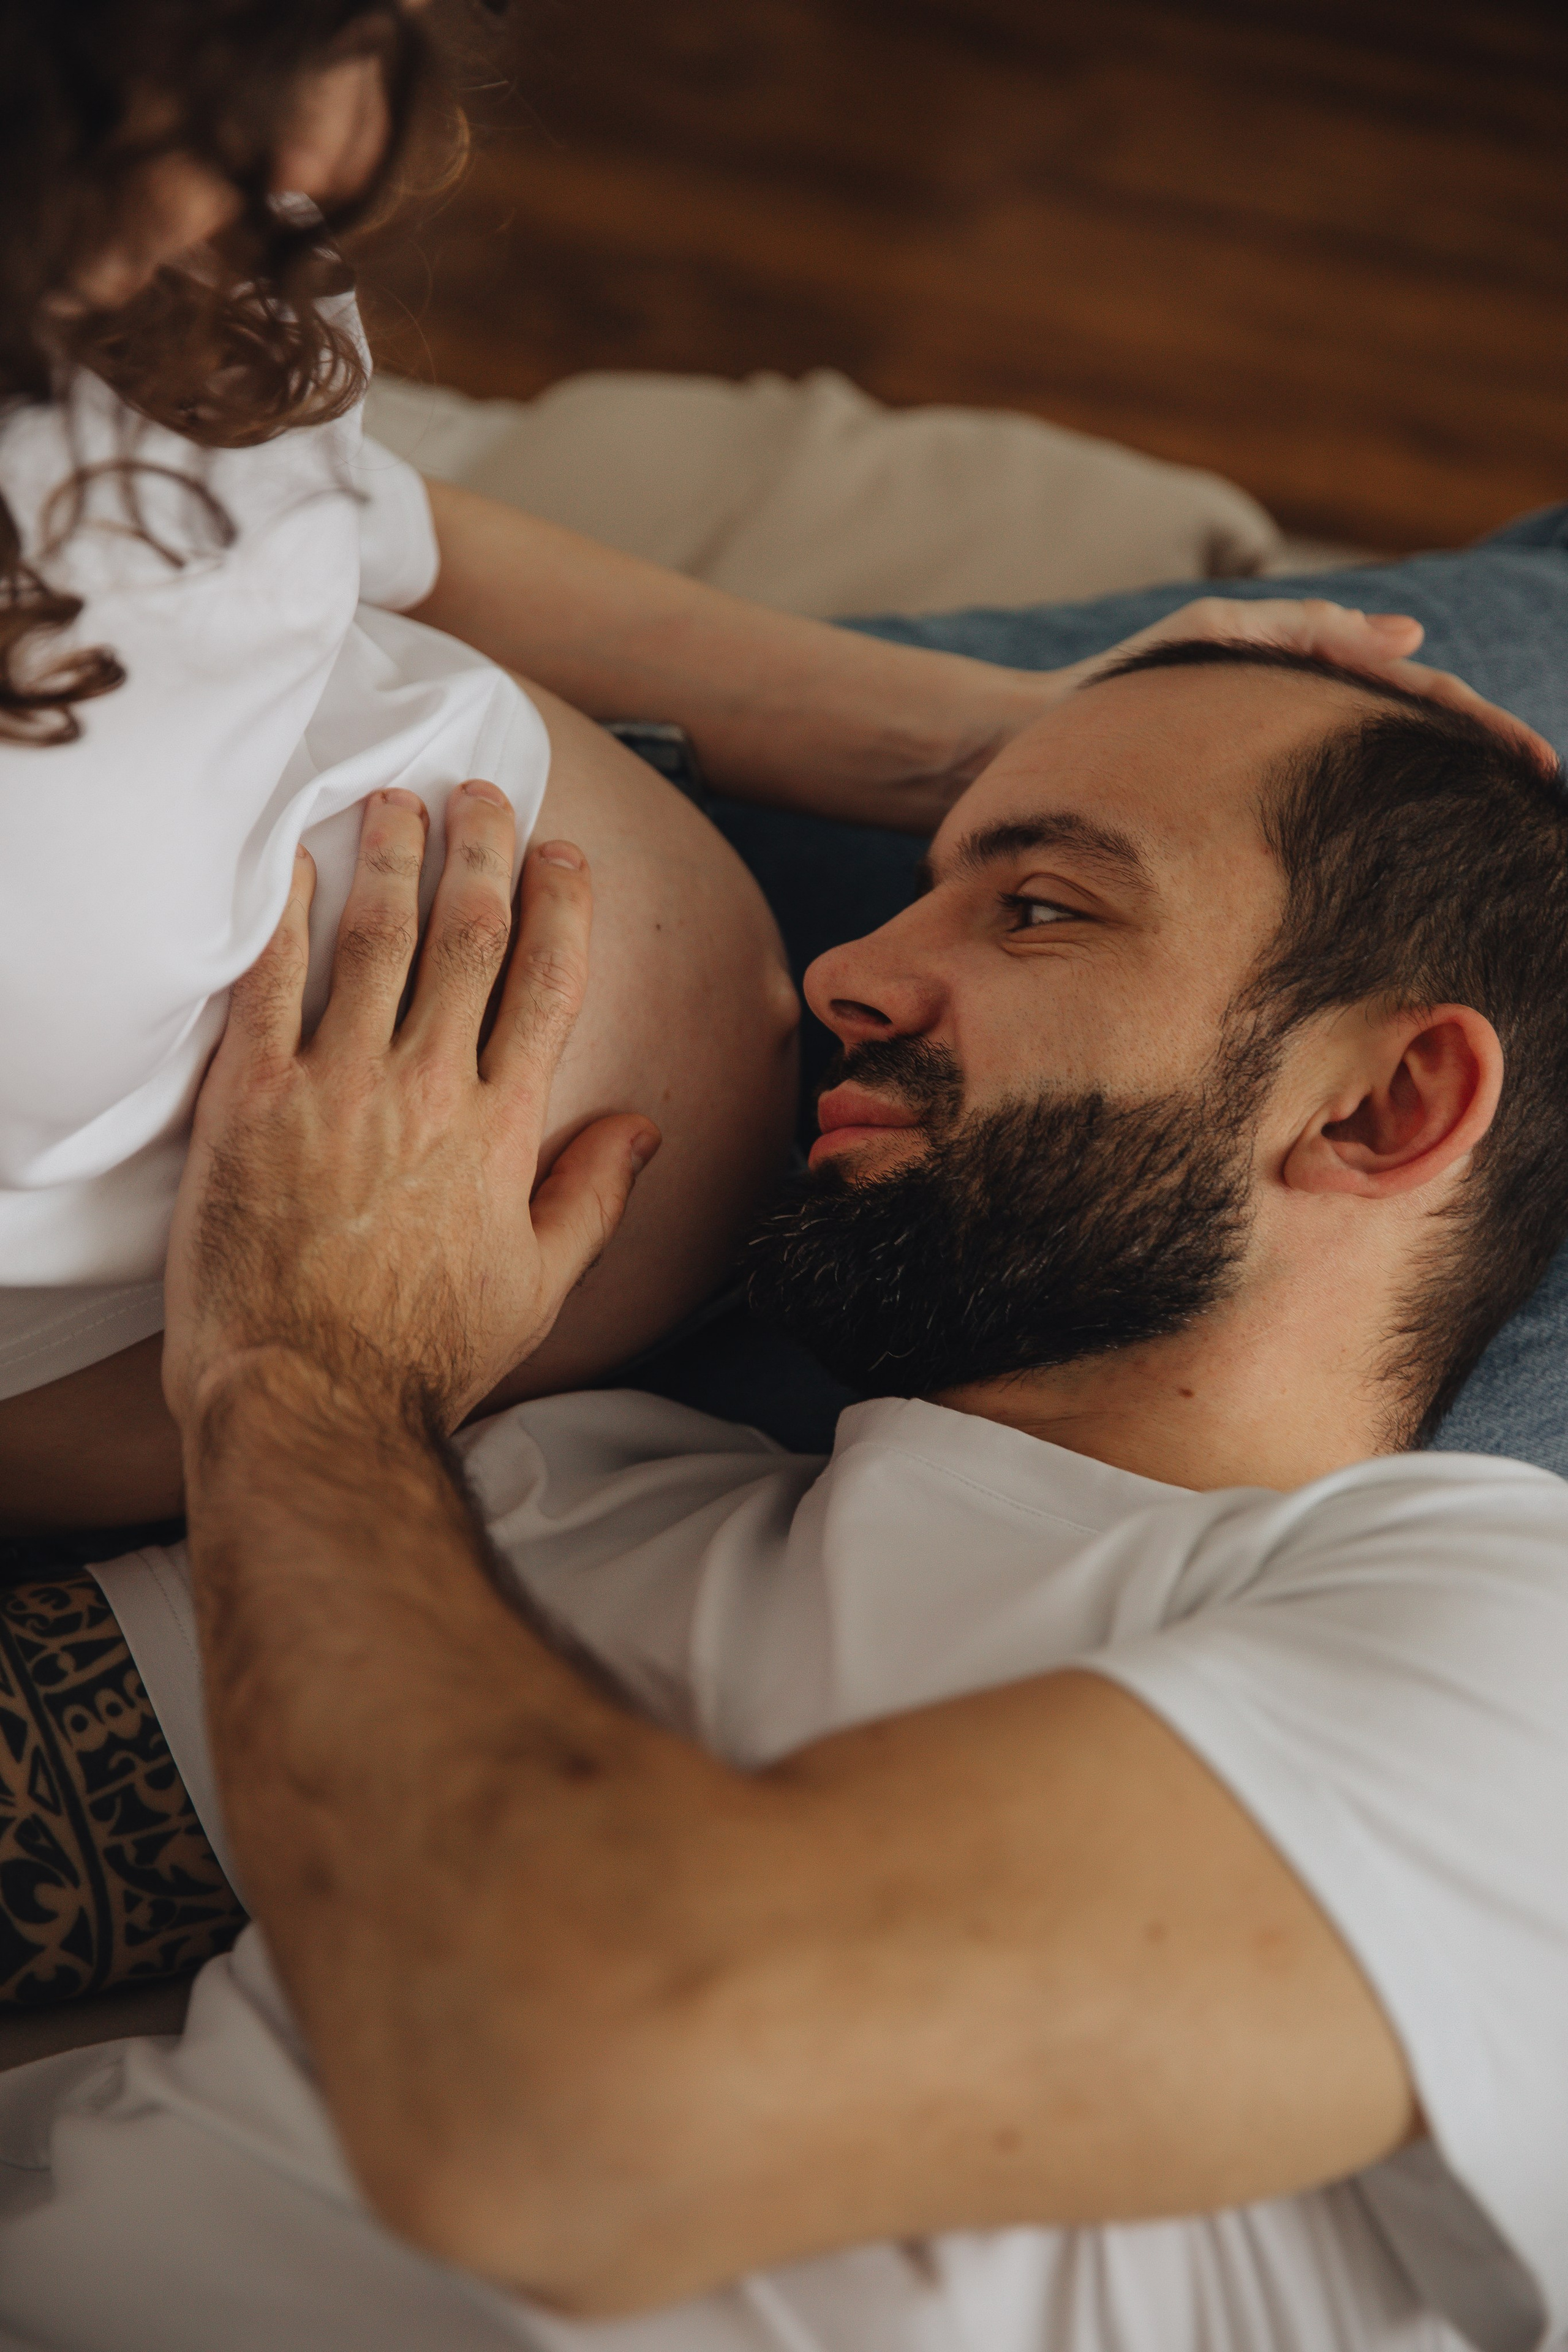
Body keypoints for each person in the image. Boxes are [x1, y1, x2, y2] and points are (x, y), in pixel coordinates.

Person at [5, 636, 1568, 2352]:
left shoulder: (1511, 1660)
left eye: (1039, 909)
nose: (845, 973)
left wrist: (298, 1364)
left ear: (1384, 1105)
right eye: (920, 893)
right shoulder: (536, 1507)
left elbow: (574, 2121)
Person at [7, 0, 1484, 1540]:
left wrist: (988, 744)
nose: (330, 151)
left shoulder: (182, 235)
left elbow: (346, 516)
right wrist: (289, 1387)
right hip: (443, 1397)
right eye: (197, 103)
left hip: (762, 813)